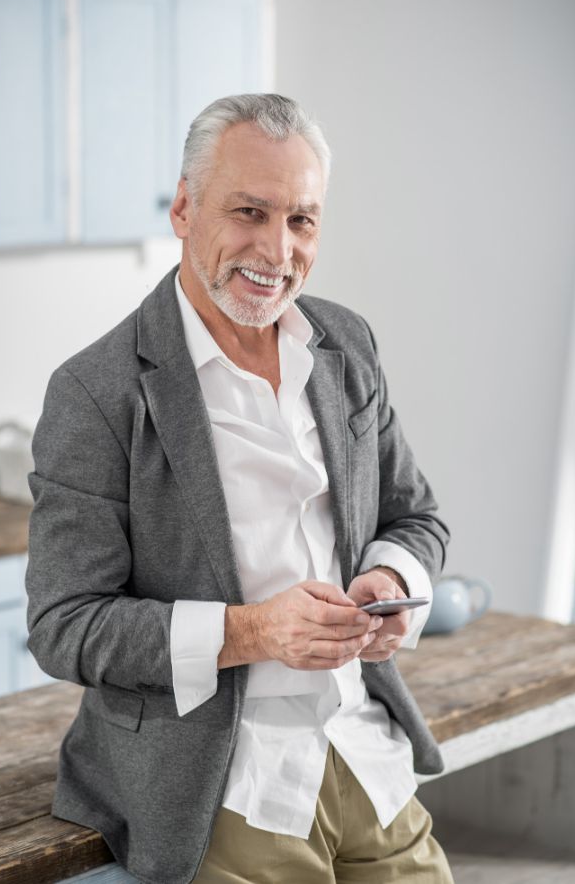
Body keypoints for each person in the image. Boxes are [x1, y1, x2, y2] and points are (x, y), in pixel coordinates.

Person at [26, 93, 454, 884]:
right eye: (249, 211)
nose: (277, 248)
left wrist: (392, 580)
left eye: (302, 221)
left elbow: (414, 513)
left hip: (363, 746)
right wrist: (254, 632)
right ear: (185, 208)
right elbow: (65, 625)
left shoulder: (346, 344)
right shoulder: (97, 391)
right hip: (220, 777)